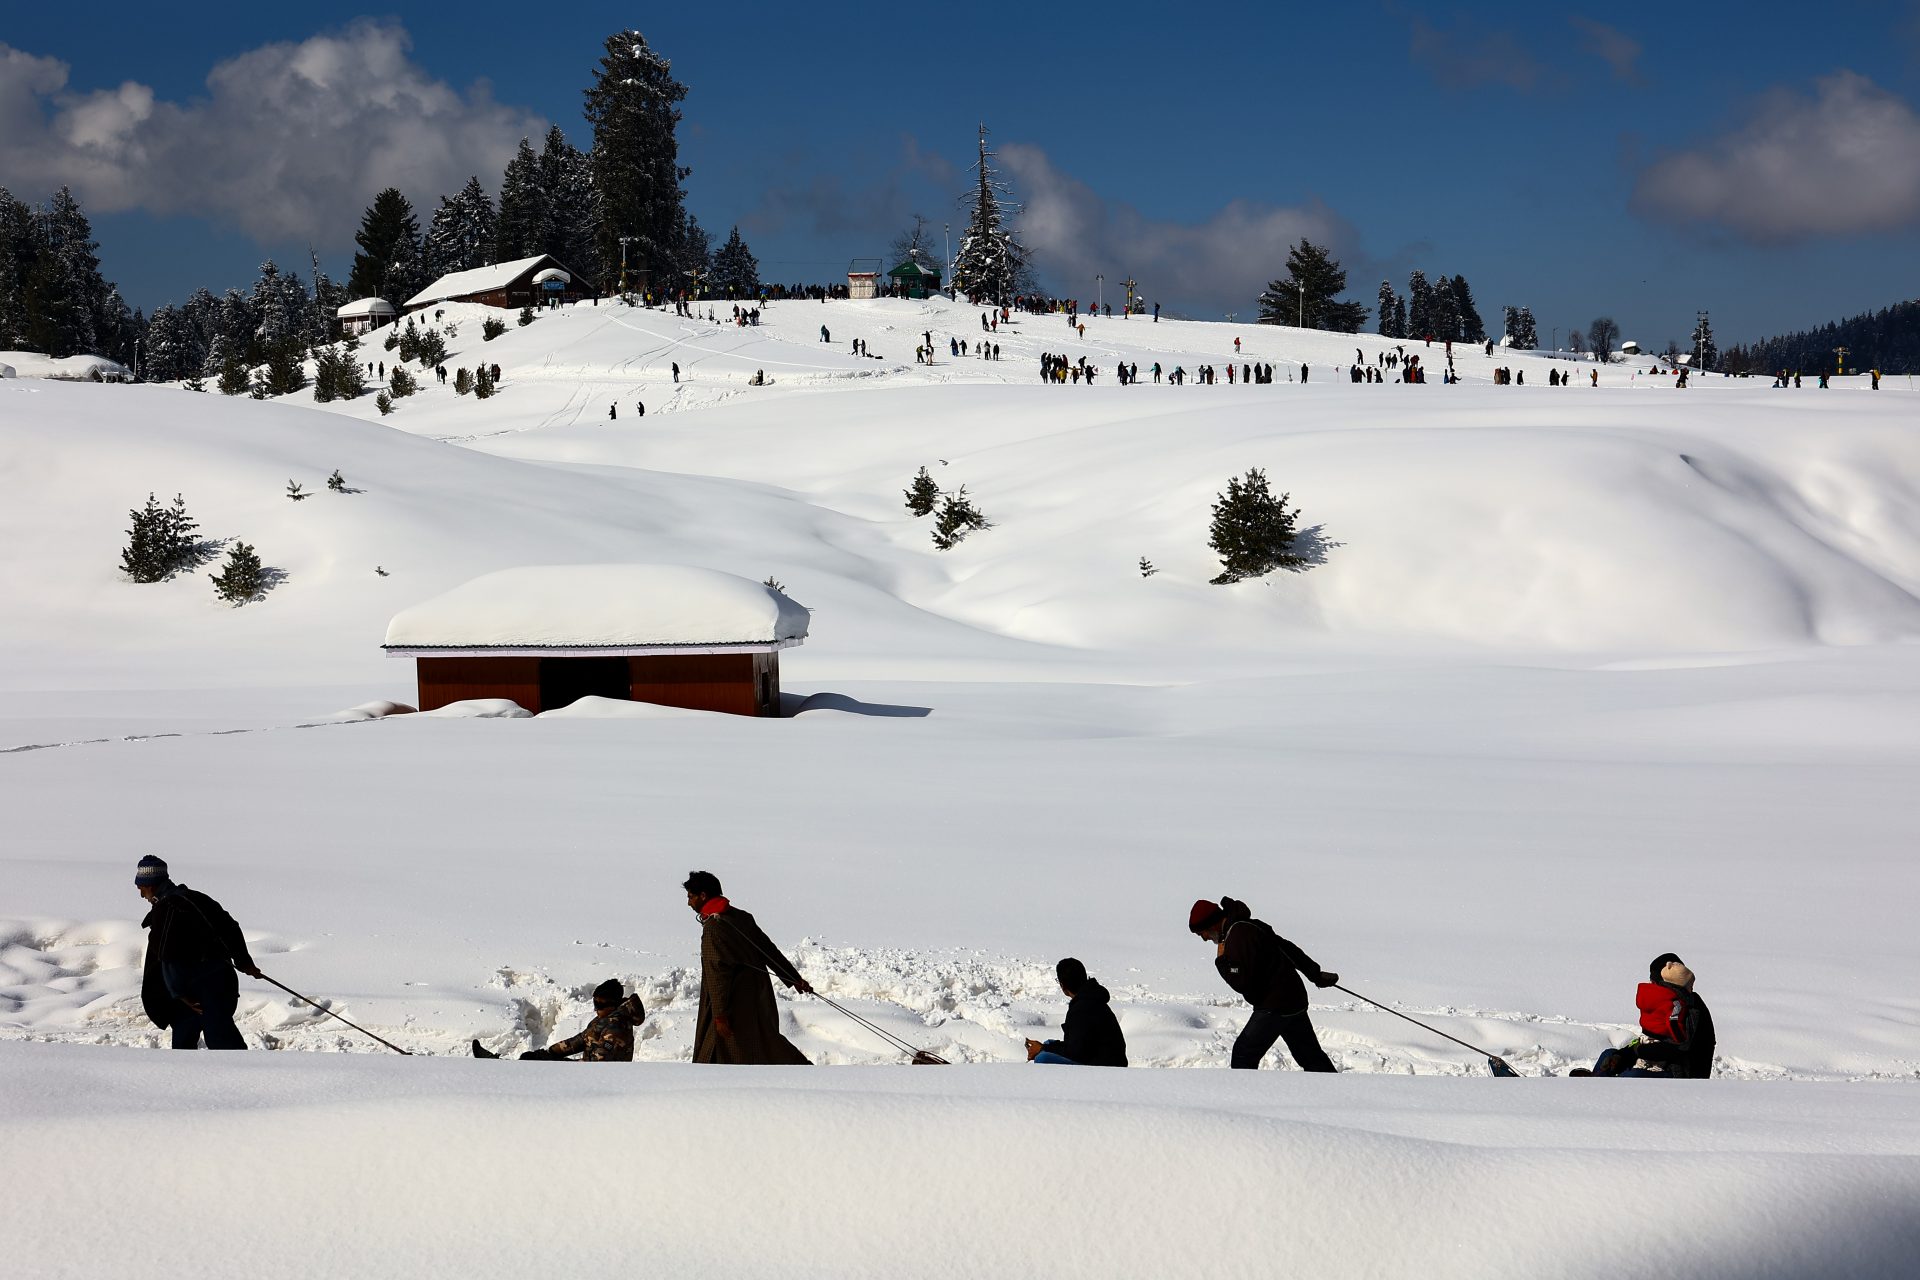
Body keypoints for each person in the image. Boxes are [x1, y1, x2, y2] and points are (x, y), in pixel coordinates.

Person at [1188, 897, 1338, 1071]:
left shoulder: (1238, 936)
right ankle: (1336, 1092)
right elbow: (1287, 949)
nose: (1204, 939)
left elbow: (1241, 982)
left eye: (1202, 933)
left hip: (1274, 1006)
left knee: (1243, 1054)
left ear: (1211, 924)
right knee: (1311, 1057)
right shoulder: (1249, 925)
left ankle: (1248, 1096)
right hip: (1293, 999)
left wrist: (1222, 962)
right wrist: (1315, 975)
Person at [684, 871, 814, 1065]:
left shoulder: (712, 928)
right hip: (758, 998)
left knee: (723, 1052)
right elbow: (768, 950)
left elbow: (717, 974)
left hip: (731, 1005)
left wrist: (719, 1016)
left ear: (703, 895)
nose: (689, 903)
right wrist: (793, 978)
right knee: (764, 1041)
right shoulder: (741, 917)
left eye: (691, 897)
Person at [136, 855, 261, 1050]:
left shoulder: (166, 909)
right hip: (222, 981)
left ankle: (245, 1078)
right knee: (199, 1037)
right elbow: (231, 928)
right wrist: (244, 962)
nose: (140, 893)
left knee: (216, 1044)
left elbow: (167, 956)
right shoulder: (197, 898)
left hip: (198, 991)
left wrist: (178, 993)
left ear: (150, 885)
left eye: (140, 887)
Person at [1574, 953, 1716, 1078]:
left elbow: (1678, 1048)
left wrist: (1639, 1051)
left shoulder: (1690, 1008)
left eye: (1654, 982)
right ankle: (1598, 1080)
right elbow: (1650, 1040)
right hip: (1656, 1060)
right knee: (1609, 1054)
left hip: (1681, 1072)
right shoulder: (1666, 1002)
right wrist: (1624, 1055)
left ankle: (1604, 1088)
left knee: (1632, 1077)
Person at [473, 979, 646, 1060]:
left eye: (600, 1004)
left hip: (594, 1081)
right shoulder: (606, 1020)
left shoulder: (617, 1028)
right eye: (595, 1003)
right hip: (586, 1073)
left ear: (614, 1004)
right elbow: (580, 1040)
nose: (596, 1009)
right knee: (533, 1059)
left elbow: (599, 1066)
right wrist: (550, 1053)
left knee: (535, 1064)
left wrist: (558, 1065)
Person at [1025, 958, 1127, 1066]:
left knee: (1043, 1058)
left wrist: (1043, 1048)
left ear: (1063, 985)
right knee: (1048, 1044)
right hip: (1105, 1060)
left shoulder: (1082, 1008)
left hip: (1103, 1066)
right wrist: (1046, 1046)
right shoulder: (1092, 999)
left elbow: (1076, 1052)